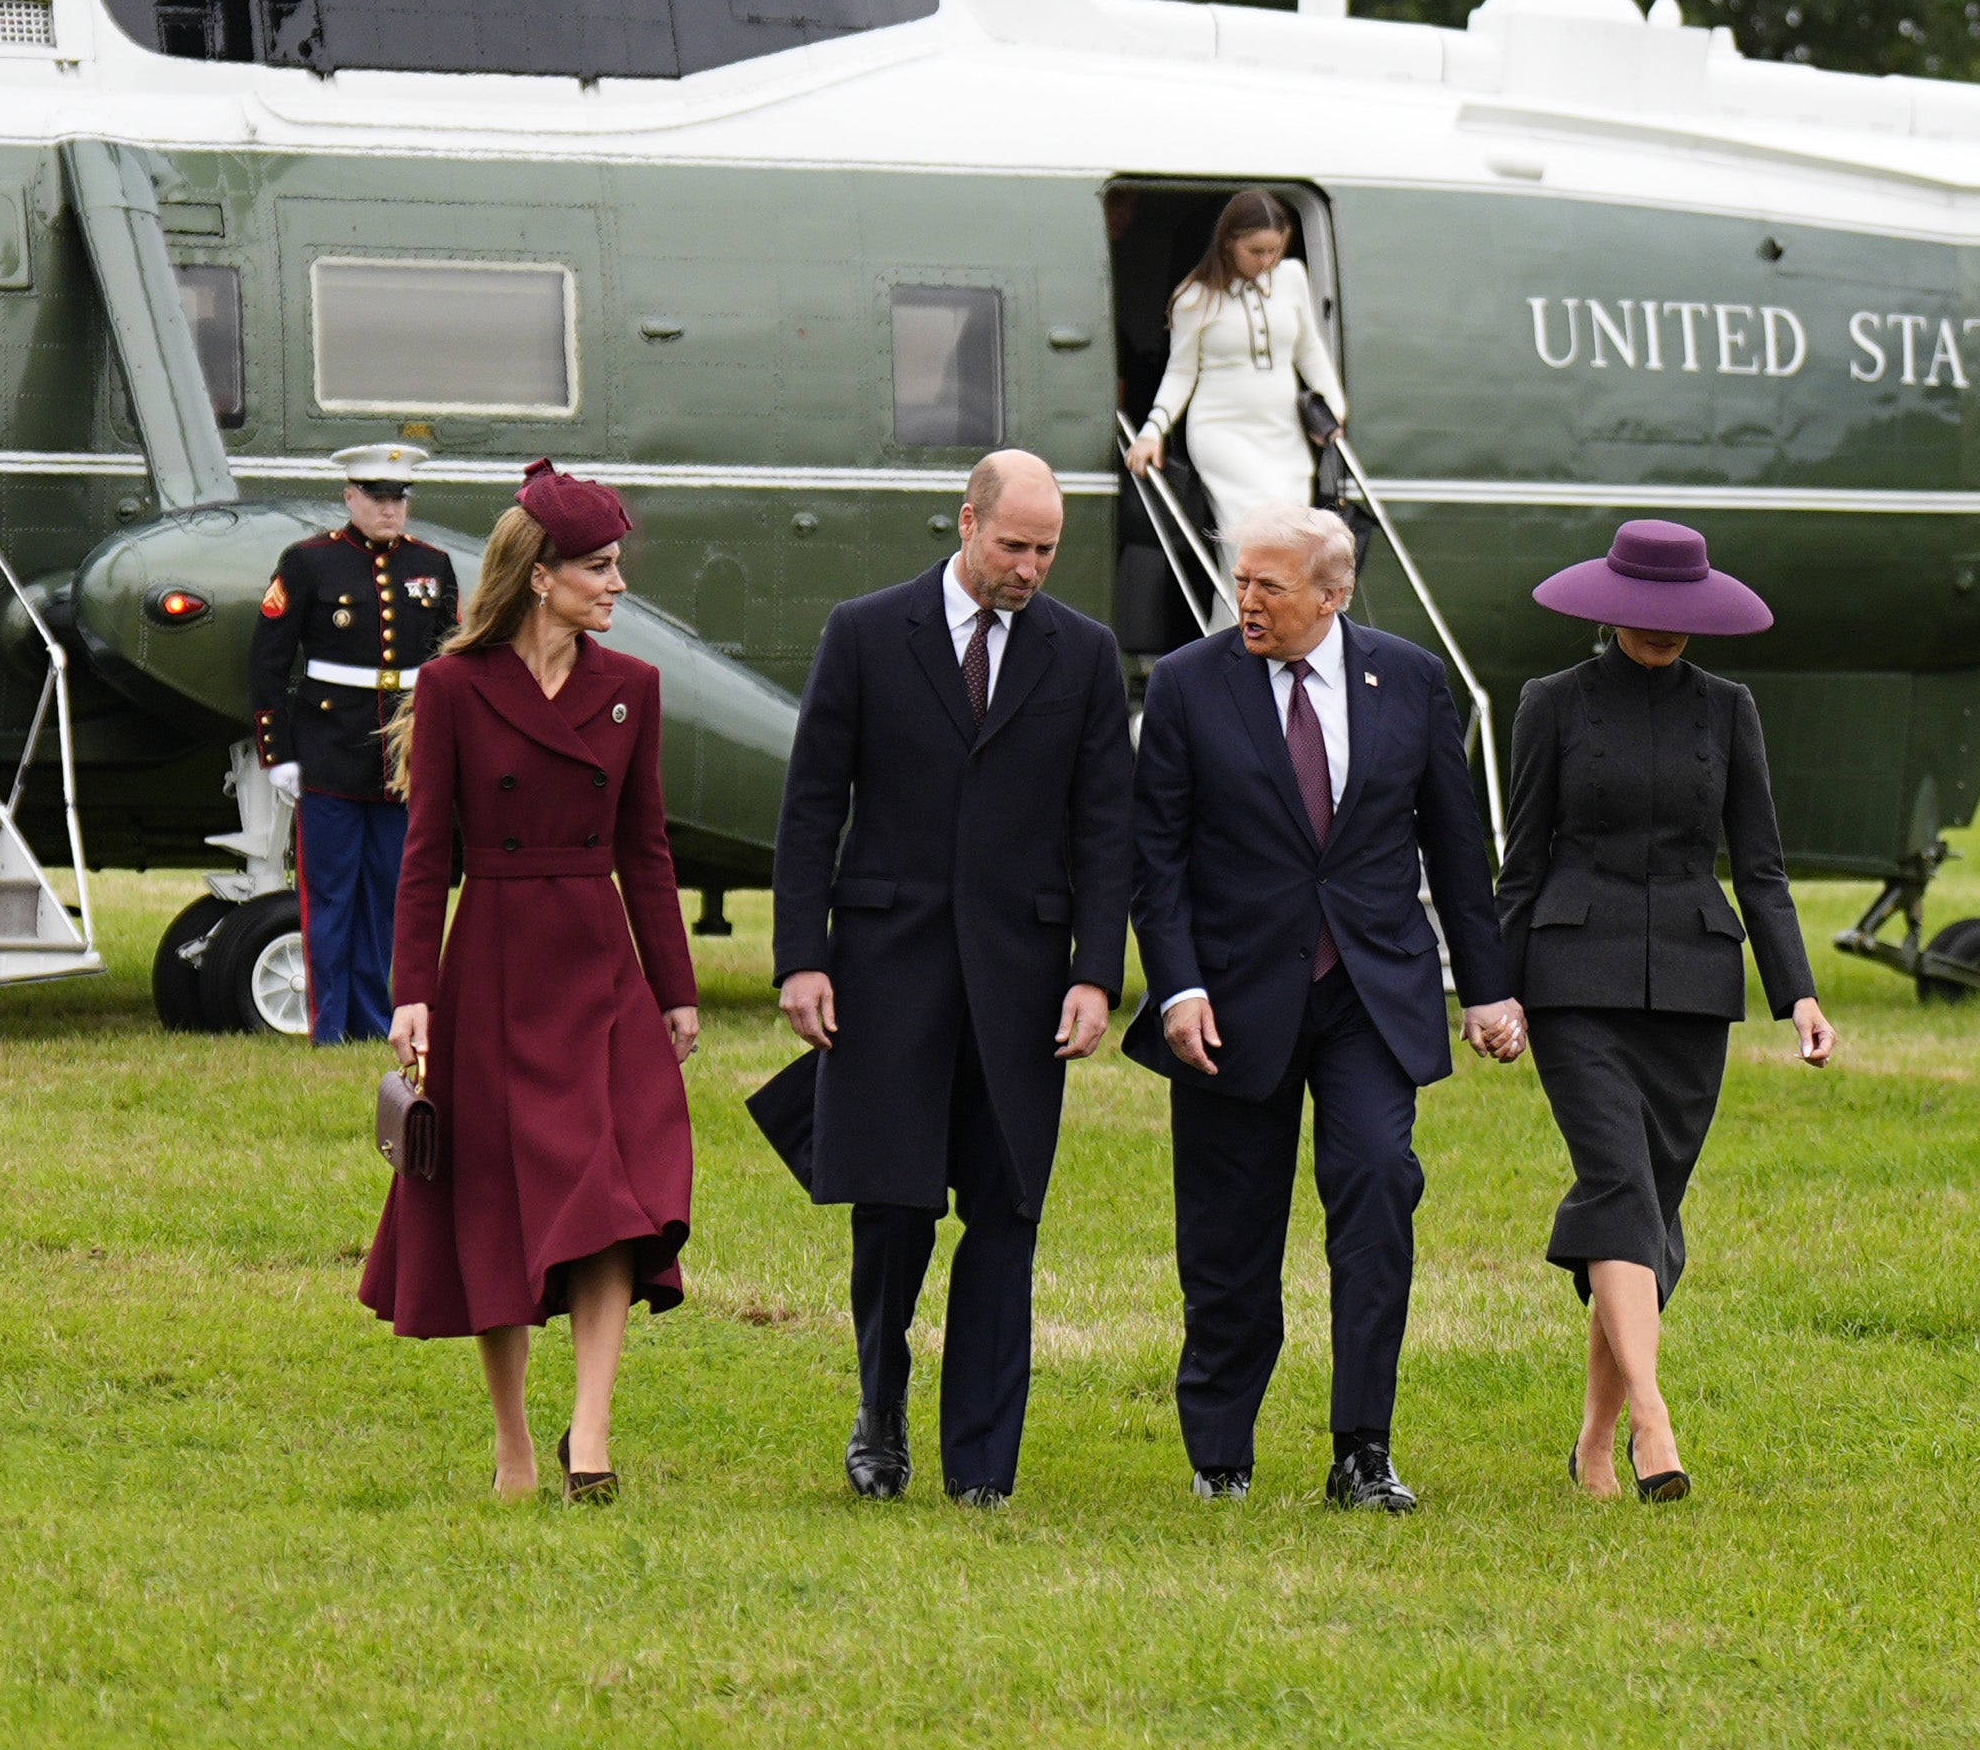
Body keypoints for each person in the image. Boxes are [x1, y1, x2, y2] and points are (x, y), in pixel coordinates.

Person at [1126, 504, 1520, 1512]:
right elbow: (1155, 857)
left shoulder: (1410, 679)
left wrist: (1486, 985)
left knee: (1380, 1186)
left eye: (1269, 584)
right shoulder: (1184, 684)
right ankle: (1220, 1452)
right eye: (1239, 579)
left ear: (1332, 595)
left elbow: (1455, 844)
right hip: (1228, 1002)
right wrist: (1176, 984)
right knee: (1228, 1233)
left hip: (1369, 992)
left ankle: (1363, 1448)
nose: (1244, 599)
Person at [771, 449, 1134, 1506]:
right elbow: (810, 807)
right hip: (887, 969)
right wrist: (801, 953)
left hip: (1024, 982)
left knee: (1006, 1213)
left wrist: (1095, 973)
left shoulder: (1084, 653)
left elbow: (1104, 829)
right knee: (891, 1209)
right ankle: (879, 1410)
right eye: (1013, 544)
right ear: (966, 521)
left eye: (1046, 549)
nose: (1029, 566)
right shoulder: (867, 632)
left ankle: (982, 1460)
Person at [367, 461, 701, 1503]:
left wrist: (676, 986)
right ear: (539, 574)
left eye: (615, 566)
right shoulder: (454, 687)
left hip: (597, 958)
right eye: (598, 568)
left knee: (616, 1194)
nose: (616, 585)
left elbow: (646, 847)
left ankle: (590, 1434)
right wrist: (411, 988)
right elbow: (428, 855)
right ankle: (516, 1444)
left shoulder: (633, 687)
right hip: (494, 961)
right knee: (497, 1205)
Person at [1498, 522, 1835, 1503]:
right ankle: (1654, 1419)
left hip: (1691, 985)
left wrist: (1799, 991)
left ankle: (1594, 1439)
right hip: (1573, 979)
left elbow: (1761, 865)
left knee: (1645, 1214)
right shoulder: (1550, 704)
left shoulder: (1729, 710)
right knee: (1615, 1180)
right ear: (1610, 606)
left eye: (1678, 617)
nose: (1661, 631)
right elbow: (1520, 860)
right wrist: (1498, 984)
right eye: (1644, 615)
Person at [247, 441, 455, 1045]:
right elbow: (268, 663)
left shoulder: (433, 565)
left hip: (402, 756)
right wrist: (278, 752)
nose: (390, 509)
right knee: (331, 893)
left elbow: (450, 661)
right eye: (376, 497)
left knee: (389, 892)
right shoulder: (309, 563)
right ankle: (328, 1023)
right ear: (350, 497)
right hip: (330, 749)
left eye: (399, 498)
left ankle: (372, 1020)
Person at [1125, 188, 1348, 557]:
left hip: (1285, 433)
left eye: (1275, 250)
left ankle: (1232, 617)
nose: (1267, 260)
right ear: (1228, 243)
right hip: (1222, 431)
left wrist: (1333, 412)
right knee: (1256, 539)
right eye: (1256, 252)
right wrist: (1152, 432)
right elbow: (1180, 373)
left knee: (1290, 542)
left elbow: (1309, 351)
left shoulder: (1292, 277)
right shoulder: (1193, 296)